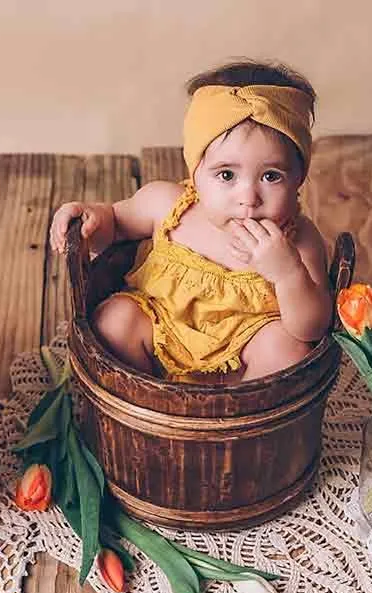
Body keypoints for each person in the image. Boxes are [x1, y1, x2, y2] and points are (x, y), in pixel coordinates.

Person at [50, 60, 332, 382]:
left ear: (298, 179)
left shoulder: (298, 240)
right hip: (158, 344)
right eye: (226, 175)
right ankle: (149, 402)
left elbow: (312, 328)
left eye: (271, 176)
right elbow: (115, 224)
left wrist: (288, 274)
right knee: (114, 320)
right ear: (195, 172)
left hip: (241, 371)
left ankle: (232, 411)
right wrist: (92, 219)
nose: (248, 197)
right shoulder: (167, 205)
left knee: (289, 349)